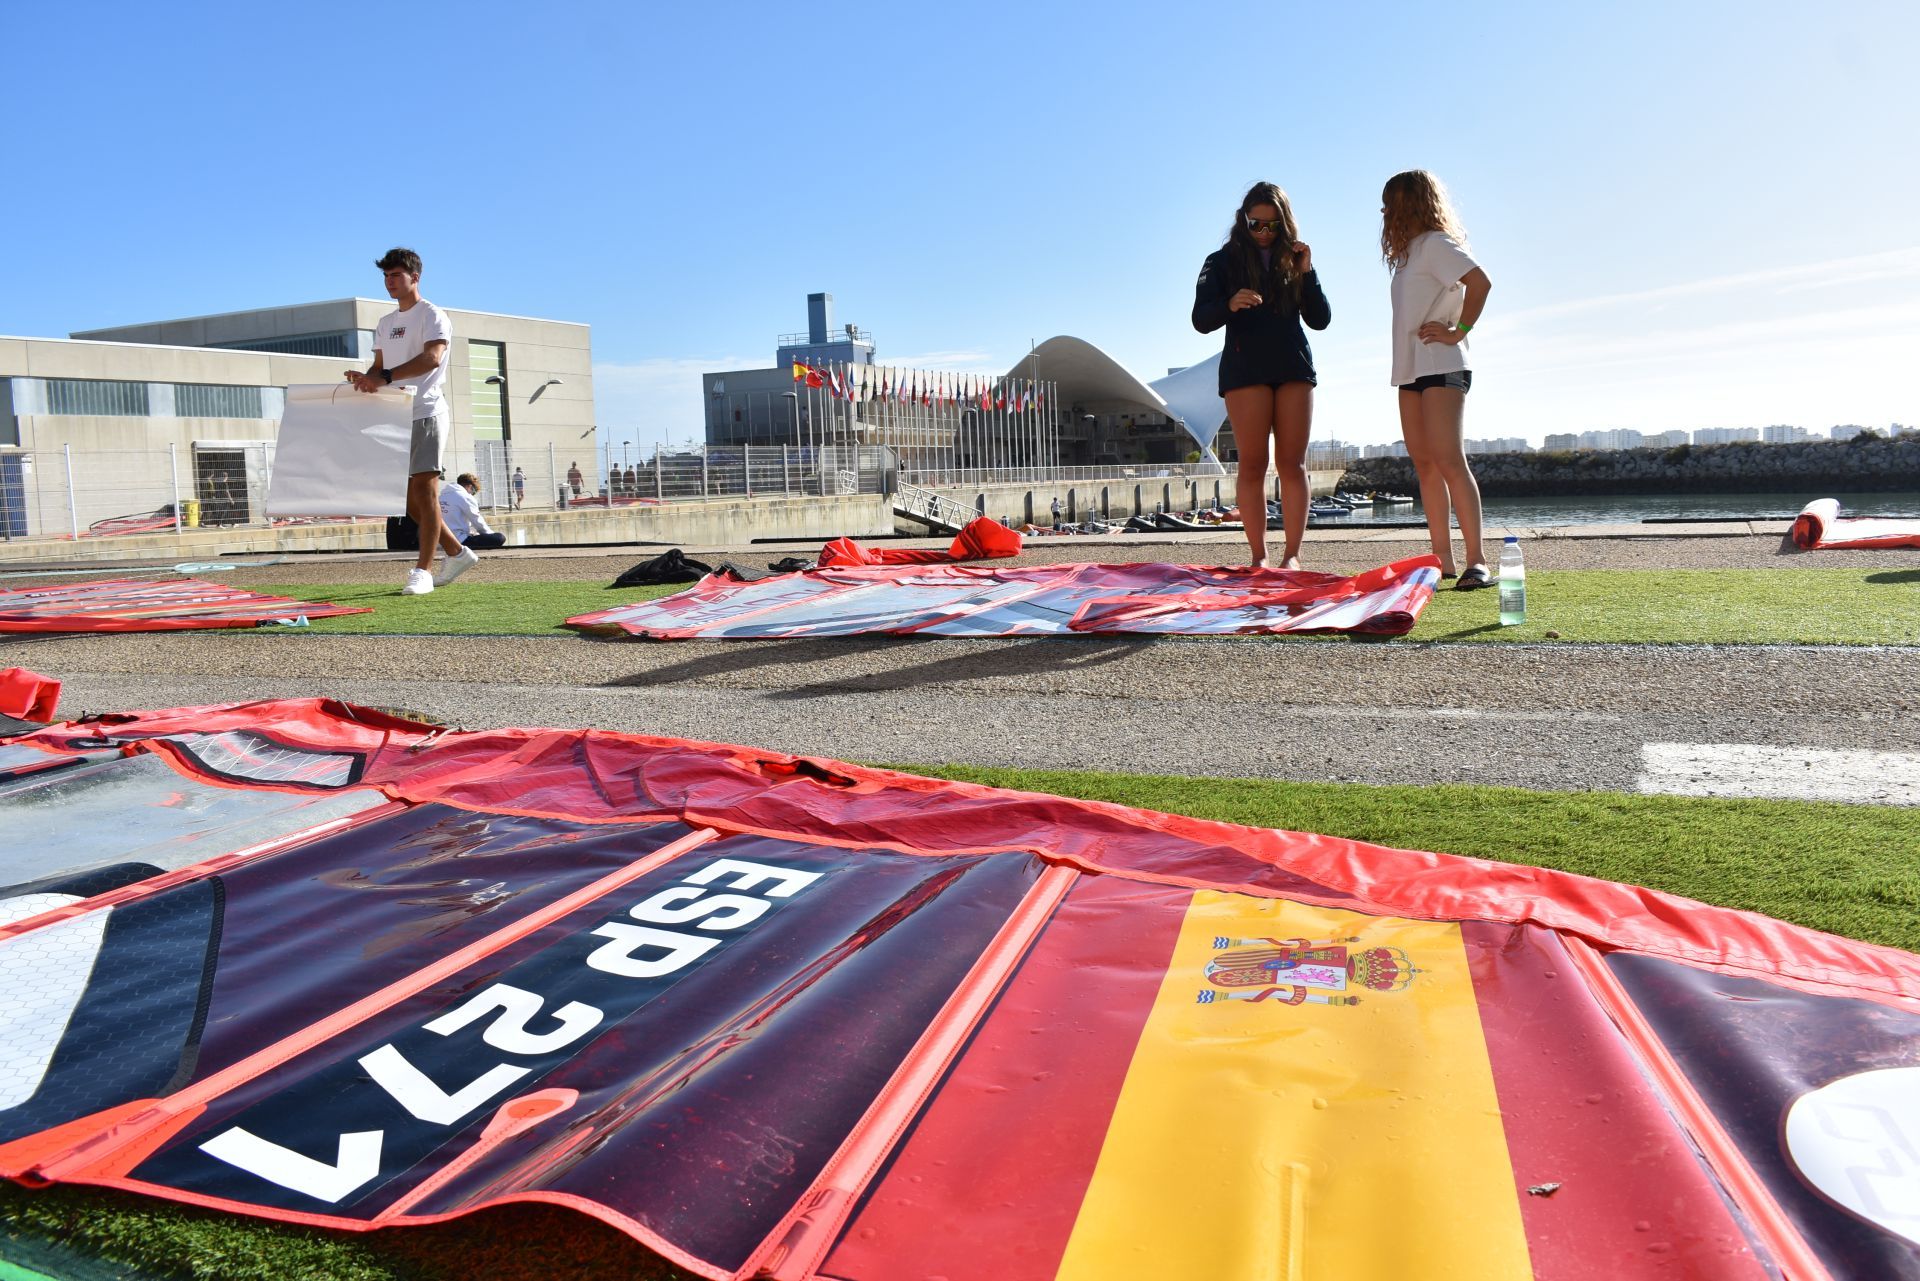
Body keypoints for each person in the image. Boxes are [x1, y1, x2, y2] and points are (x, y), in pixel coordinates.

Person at [1192, 181, 1331, 570]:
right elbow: (1200, 319)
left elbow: (1320, 320)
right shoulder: (1221, 261)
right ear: (1244, 221)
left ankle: (1292, 555)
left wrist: (1308, 274)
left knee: (1293, 464)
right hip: (1245, 370)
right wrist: (1229, 303)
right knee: (1252, 463)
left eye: (1273, 226)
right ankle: (1258, 555)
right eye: (1257, 224)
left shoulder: (1295, 258)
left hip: (1293, 368)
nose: (1265, 233)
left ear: (1285, 224)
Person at [1381, 170, 1494, 588]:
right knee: (1425, 465)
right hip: (1411, 369)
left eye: (1389, 203)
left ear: (1409, 203)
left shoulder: (1434, 244)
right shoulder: (1410, 253)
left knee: (1449, 460)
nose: (1384, 212)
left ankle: (1477, 560)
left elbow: (1480, 282)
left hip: (1442, 362)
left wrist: (1458, 331)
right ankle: (1442, 560)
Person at [347, 248, 473, 594]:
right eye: (386, 276)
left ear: (414, 277)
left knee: (424, 491)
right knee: (405, 499)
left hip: (426, 411)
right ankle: (457, 551)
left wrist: (383, 378)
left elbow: (431, 359)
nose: (390, 282)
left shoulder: (432, 315)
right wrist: (364, 378)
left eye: (396, 275)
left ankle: (423, 571)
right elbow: (379, 369)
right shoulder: (386, 323)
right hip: (394, 414)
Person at [438, 473, 507, 551]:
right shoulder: (466, 497)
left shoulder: (441, 496)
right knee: (499, 538)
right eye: (473, 492)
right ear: (470, 486)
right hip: (458, 541)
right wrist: (490, 535)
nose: (472, 494)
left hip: (440, 540)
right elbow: (477, 521)